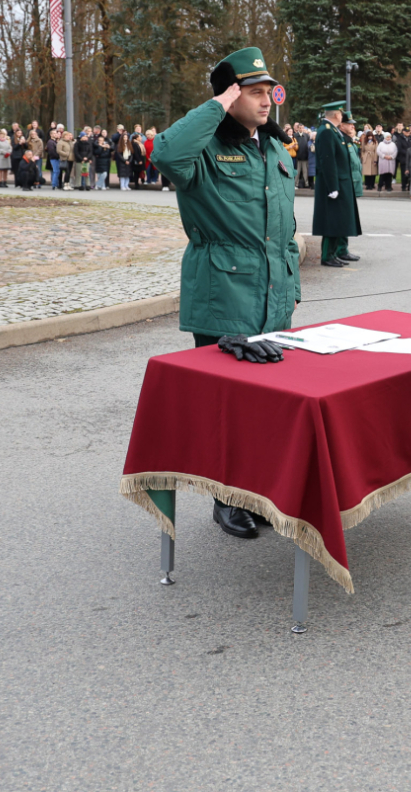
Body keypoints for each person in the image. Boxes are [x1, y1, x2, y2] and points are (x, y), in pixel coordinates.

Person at [152, 47, 301, 541]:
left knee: (268, 406)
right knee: (228, 408)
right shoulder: (205, 149)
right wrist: (217, 104)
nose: (265, 101)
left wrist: (292, 286)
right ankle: (227, 499)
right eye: (253, 92)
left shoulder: (274, 147)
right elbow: (167, 153)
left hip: (273, 293)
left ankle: (257, 493)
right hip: (224, 290)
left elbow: (284, 224)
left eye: (267, 92)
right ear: (230, 94)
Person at [312, 103, 362, 267]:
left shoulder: (331, 130)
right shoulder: (326, 131)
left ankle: (334, 253)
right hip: (333, 184)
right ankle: (327, 255)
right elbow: (328, 161)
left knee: (337, 220)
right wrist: (332, 186)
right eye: (341, 113)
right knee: (331, 221)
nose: (342, 116)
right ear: (336, 115)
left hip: (340, 182)